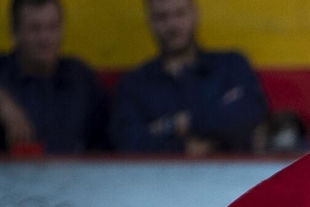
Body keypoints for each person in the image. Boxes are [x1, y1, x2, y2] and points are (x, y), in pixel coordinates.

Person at [110, 0, 267, 154]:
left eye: (180, 13)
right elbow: (129, 144)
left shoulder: (231, 65)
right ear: (150, 21)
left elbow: (249, 115)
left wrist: (176, 124)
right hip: (161, 179)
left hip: (237, 178)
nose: (173, 25)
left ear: (195, 13)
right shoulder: (134, 85)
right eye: (162, 17)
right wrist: (185, 148)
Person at [0, 0, 107, 153]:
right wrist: (2, 102)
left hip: (70, 175)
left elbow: (104, 143)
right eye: (35, 29)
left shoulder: (80, 78)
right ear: (15, 33)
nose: (45, 39)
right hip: (0, 175)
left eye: (52, 27)